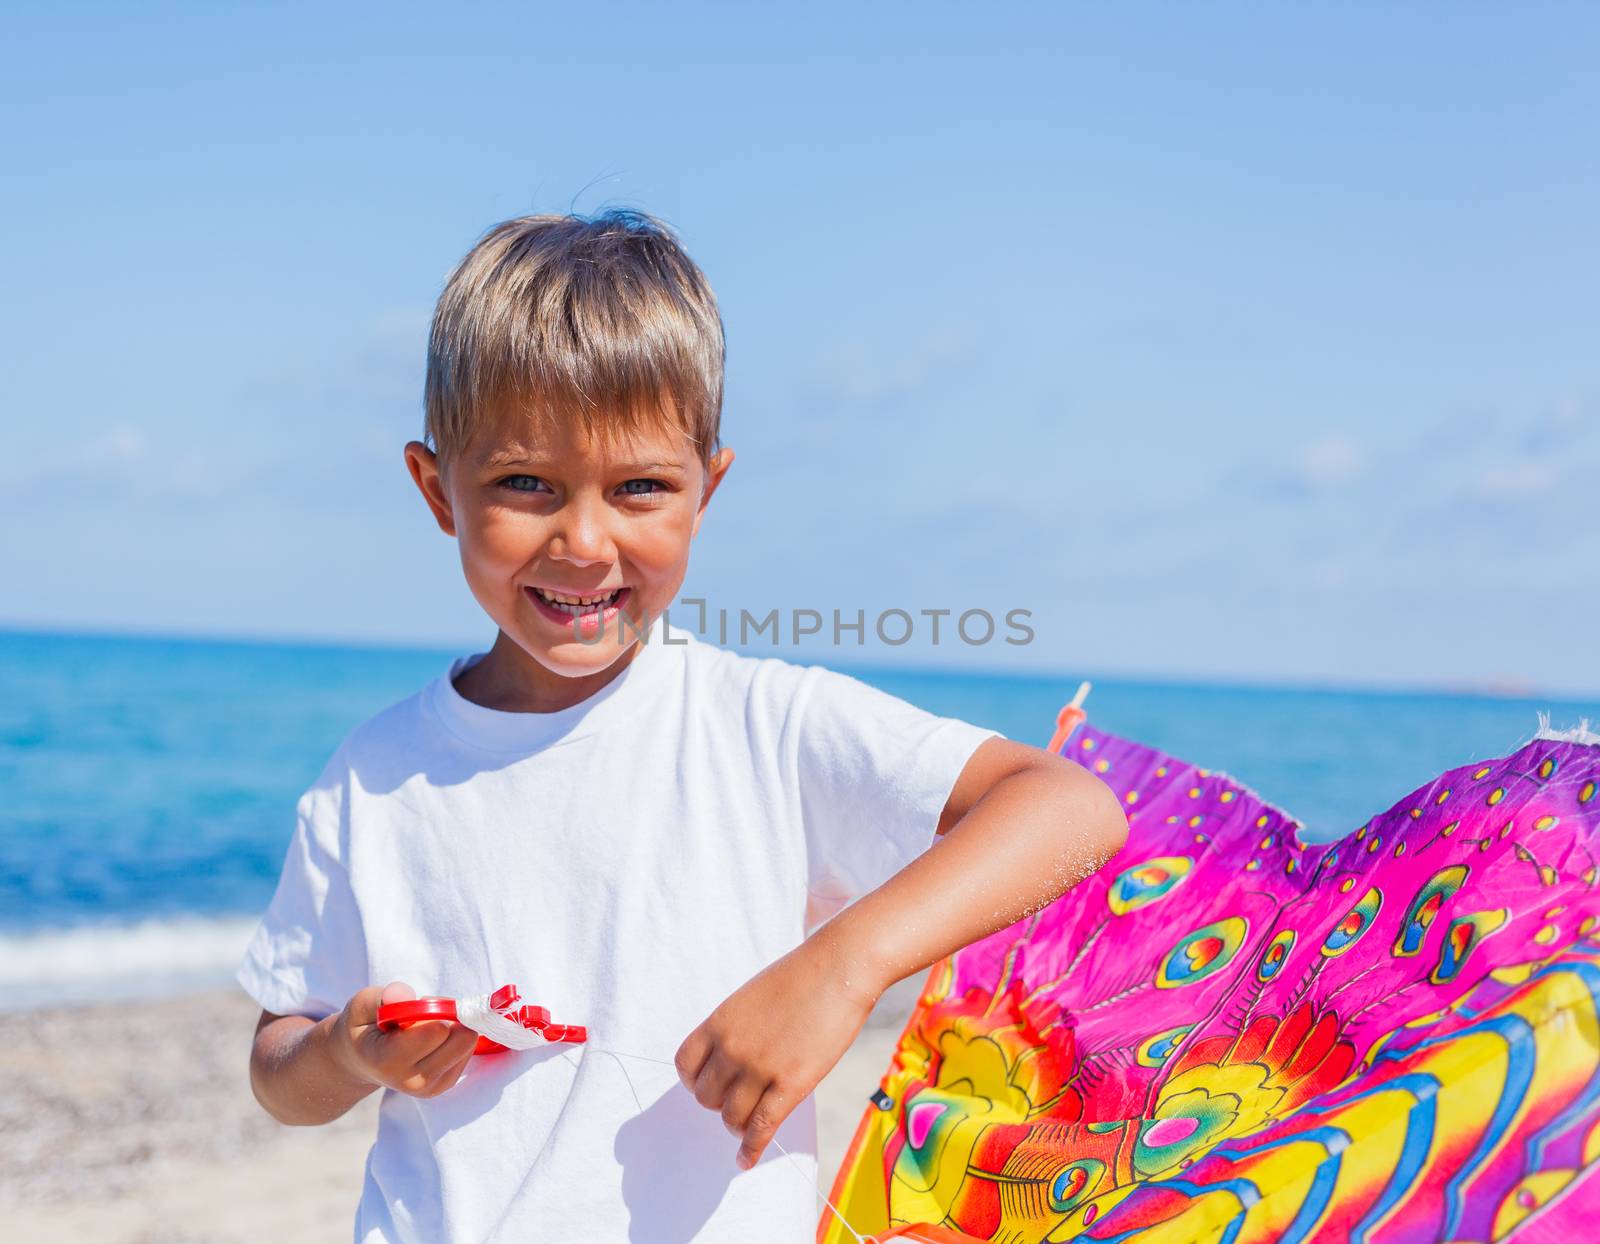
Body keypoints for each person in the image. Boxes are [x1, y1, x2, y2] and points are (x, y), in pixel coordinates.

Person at [238, 209, 1128, 1243]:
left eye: (639, 488)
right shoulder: (376, 775)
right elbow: (277, 1067)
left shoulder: (760, 725)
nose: (582, 539)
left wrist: (838, 968)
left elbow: (1067, 806)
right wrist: (348, 1052)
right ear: (438, 490)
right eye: (524, 484)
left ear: (706, 489)